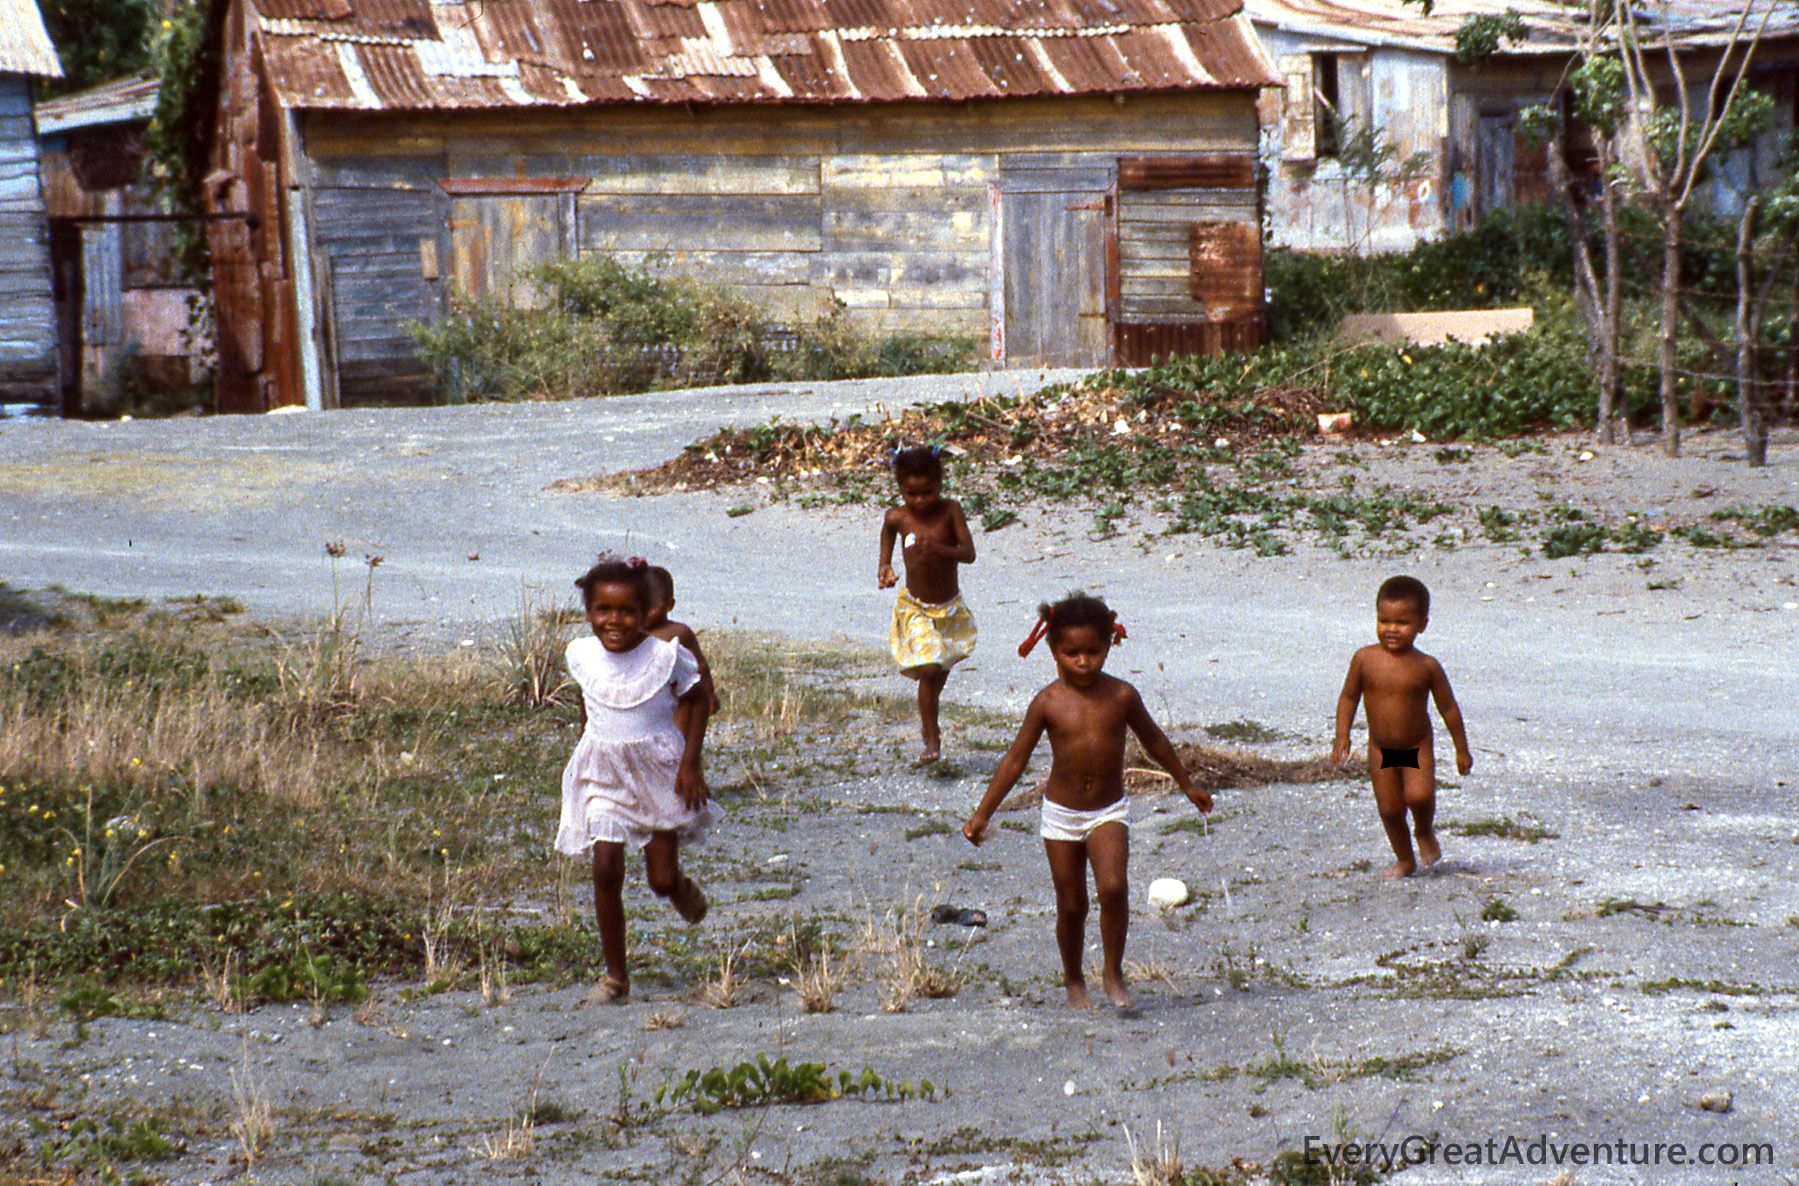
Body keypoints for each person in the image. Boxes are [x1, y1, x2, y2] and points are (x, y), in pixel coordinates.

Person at [962, 594, 1212, 1009]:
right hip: (1060, 815)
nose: (1082, 661)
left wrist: (1187, 784)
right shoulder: (1047, 702)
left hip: (1108, 811)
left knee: (1113, 888)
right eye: (1071, 652)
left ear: (1109, 645)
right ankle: (1074, 980)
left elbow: (1154, 741)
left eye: (1092, 652)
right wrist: (982, 814)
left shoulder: (1121, 696)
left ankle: (1113, 973)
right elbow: (1015, 760)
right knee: (1072, 904)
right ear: (1053, 650)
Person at [555, 557, 713, 1003]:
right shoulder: (581, 653)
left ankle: (678, 888)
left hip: (657, 770)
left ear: (647, 612)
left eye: (626, 611)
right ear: (589, 612)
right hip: (604, 772)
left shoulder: (665, 656)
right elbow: (592, 701)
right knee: (605, 870)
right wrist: (591, 744)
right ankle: (615, 977)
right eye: (603, 610)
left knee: (660, 880)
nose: (614, 620)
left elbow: (699, 700)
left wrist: (690, 763)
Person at [1331, 575, 1472, 879]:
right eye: (1384, 620)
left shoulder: (1427, 666)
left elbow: (1448, 707)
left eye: (1403, 622)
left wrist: (1462, 749)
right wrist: (1341, 735)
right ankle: (1405, 860)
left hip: (1415, 746)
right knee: (1390, 810)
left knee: (1419, 797)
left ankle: (1424, 830)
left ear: (1422, 624)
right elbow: (1348, 697)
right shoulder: (1364, 659)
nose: (1391, 629)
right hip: (1382, 749)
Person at [877, 445, 977, 765]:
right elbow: (888, 533)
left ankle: (929, 725)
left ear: (940, 485)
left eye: (927, 493)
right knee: (930, 668)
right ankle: (931, 739)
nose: (919, 501)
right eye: (911, 494)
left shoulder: (950, 511)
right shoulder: (897, 517)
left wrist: (938, 548)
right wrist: (885, 567)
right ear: (901, 489)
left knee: (936, 676)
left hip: (948, 609)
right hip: (915, 607)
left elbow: (968, 553)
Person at [644, 565, 720, 716]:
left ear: (669, 605)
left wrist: (709, 695)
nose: (646, 612)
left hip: (673, 701)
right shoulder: (629, 634)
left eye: (652, 606)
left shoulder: (678, 632)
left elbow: (700, 666)